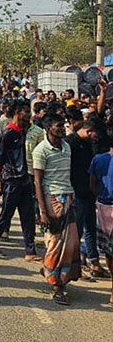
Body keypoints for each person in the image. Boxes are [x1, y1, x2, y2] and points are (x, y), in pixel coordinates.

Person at [34, 112, 81, 305]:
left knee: (70, 244)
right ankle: (56, 285)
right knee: (55, 244)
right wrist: (43, 211)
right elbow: (37, 181)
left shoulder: (67, 147)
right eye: (58, 125)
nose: (63, 128)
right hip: (52, 199)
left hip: (68, 197)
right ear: (48, 128)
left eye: (63, 125)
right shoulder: (40, 150)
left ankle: (57, 275)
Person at [0, 100, 41, 261]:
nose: (27, 122)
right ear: (16, 114)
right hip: (11, 180)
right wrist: (2, 180)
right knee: (6, 214)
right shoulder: (8, 133)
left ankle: (30, 251)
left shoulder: (22, 132)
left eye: (28, 118)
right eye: (24, 118)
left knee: (27, 215)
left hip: (24, 179)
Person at [67, 117, 107, 279]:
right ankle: (73, 265)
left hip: (88, 193)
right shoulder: (70, 143)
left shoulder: (88, 144)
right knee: (76, 232)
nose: (96, 139)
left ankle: (94, 262)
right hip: (76, 194)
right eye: (95, 135)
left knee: (91, 229)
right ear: (89, 130)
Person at [88, 142, 113, 305]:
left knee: (109, 252)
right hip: (104, 207)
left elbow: (92, 184)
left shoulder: (98, 159)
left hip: (103, 208)